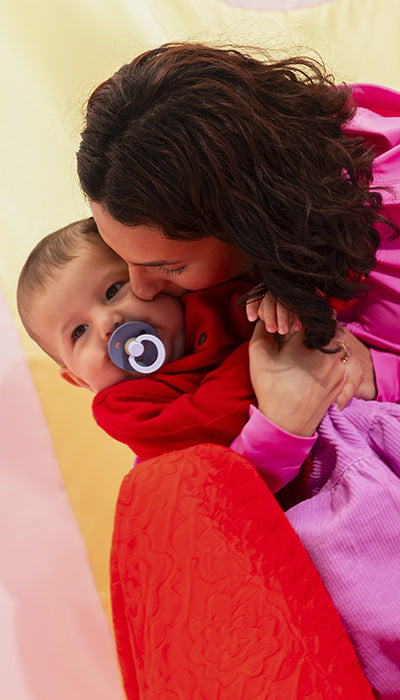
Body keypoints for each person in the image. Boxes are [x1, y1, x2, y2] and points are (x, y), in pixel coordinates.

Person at [18, 215, 400, 697]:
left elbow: (362, 364)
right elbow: (216, 513)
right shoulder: (156, 439)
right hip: (324, 534)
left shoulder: (250, 306)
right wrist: (279, 424)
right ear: (77, 379)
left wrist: (353, 363)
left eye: (114, 291)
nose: (107, 324)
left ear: (156, 278)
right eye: (78, 333)